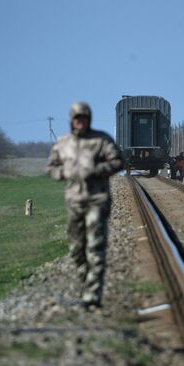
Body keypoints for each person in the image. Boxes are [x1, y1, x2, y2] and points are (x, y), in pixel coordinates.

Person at [47, 102, 123, 309]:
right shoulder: (63, 143)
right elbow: (51, 167)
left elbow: (117, 162)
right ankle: (85, 284)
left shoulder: (101, 140)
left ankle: (93, 295)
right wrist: (64, 173)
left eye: (84, 118)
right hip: (74, 201)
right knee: (76, 249)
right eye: (77, 118)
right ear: (71, 120)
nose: (81, 121)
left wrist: (97, 170)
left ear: (89, 119)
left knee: (95, 247)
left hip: (97, 200)